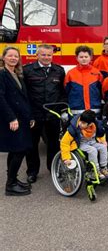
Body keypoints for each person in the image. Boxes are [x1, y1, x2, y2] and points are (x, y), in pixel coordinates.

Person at [23, 44, 66, 183]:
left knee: (53, 144)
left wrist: (61, 110)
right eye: (43, 55)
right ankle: (32, 172)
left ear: (52, 55)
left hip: (52, 114)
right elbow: (24, 94)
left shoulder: (59, 71)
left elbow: (62, 92)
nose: (46, 57)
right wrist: (27, 114)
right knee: (32, 145)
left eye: (49, 55)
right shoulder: (28, 70)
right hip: (34, 115)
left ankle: (53, 168)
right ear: (37, 55)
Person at [0, 47, 34, 196]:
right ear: (4, 57)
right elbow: (0, 98)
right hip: (13, 119)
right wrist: (11, 118)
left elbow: (24, 98)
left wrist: (30, 116)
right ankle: (10, 185)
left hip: (22, 118)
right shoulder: (2, 74)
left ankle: (13, 179)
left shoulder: (17, 74)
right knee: (19, 150)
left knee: (16, 150)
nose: (13, 58)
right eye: (10, 56)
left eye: (16, 56)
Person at [60, 110, 108, 180]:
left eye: (83, 123)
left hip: (93, 141)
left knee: (103, 147)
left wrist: (103, 141)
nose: (80, 124)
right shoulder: (73, 128)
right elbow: (64, 142)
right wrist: (66, 158)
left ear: (90, 124)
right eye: (80, 121)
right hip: (81, 144)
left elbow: (101, 133)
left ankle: (103, 167)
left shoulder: (96, 125)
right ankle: (94, 171)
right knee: (93, 150)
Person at [64, 45, 103, 115]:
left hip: (94, 110)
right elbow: (66, 92)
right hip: (76, 111)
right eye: (81, 57)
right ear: (77, 58)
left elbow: (101, 91)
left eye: (86, 57)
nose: (84, 59)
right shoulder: (70, 73)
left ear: (90, 58)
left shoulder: (97, 73)